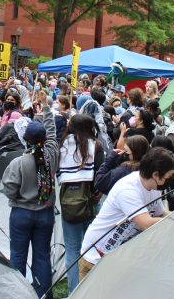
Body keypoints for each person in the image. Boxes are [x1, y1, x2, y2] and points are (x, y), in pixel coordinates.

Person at [79, 148, 174, 281]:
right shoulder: (128, 190)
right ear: (155, 175)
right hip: (96, 258)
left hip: (118, 258)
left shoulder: (153, 187)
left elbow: (160, 213)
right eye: (168, 176)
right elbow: (146, 223)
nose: (170, 180)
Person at [2, 93, 58, 299]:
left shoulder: (18, 163)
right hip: (45, 213)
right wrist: (46, 107)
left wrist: (16, 199)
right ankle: (43, 294)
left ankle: (17, 295)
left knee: (17, 255)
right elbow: (51, 132)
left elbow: (9, 188)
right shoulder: (52, 154)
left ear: (25, 139)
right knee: (42, 255)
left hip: (21, 214)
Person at [57, 113, 102, 294]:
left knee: (72, 249)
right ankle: (92, 289)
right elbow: (100, 173)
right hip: (91, 201)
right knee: (92, 246)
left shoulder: (62, 146)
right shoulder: (96, 145)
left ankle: (74, 292)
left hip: (69, 202)